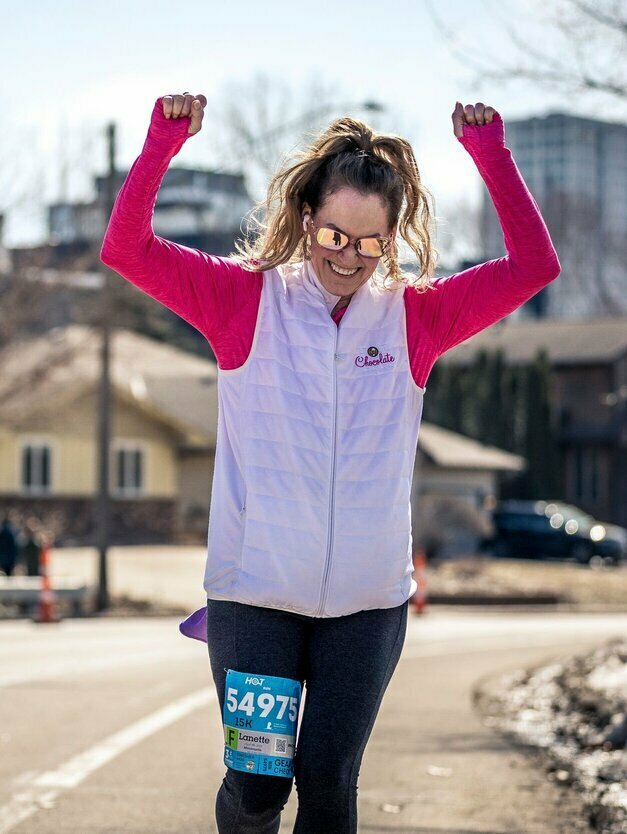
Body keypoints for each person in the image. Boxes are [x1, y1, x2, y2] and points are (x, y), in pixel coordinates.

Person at [100, 91, 561, 834]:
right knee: (256, 789)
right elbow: (125, 250)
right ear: (306, 218)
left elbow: (534, 264)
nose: (347, 256)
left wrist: (489, 156)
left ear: (393, 239)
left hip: (367, 605)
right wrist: (160, 145)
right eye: (333, 235)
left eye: (370, 243)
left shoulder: (415, 315)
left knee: (326, 783)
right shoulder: (243, 301)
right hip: (255, 597)